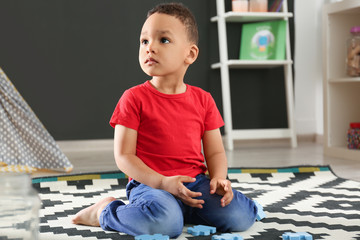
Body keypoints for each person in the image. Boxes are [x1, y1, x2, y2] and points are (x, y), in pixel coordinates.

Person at [72, 2, 257, 238]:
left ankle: (183, 212)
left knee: (240, 215)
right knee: (164, 225)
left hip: (195, 184)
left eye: (164, 40)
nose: (150, 48)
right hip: (150, 185)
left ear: (189, 54)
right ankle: (105, 211)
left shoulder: (204, 100)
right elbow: (124, 156)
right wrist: (161, 182)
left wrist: (220, 178)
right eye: (144, 41)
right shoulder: (133, 98)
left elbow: (215, 153)